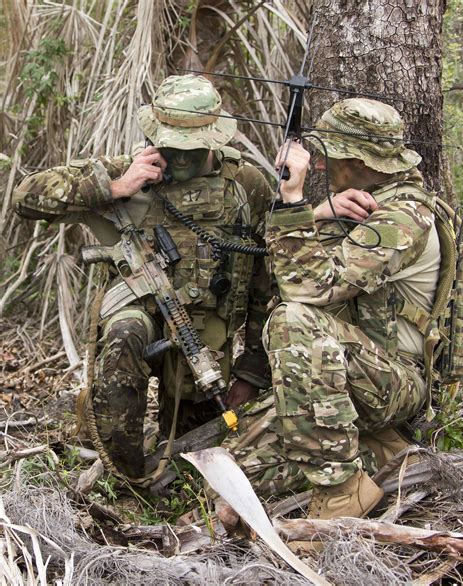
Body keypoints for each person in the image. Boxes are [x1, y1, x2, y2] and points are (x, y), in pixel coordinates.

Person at [12, 74, 273, 480]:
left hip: (204, 341)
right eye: (172, 147)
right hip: (141, 315)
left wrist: (252, 369)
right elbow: (26, 196)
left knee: (195, 457)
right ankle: (126, 481)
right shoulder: (131, 171)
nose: (181, 159)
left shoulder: (246, 185)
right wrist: (115, 186)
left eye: (191, 148)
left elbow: (265, 280)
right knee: (124, 337)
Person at [219, 98, 440, 520]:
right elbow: (283, 266)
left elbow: (305, 288)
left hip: (395, 382)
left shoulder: (403, 218)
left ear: (360, 159)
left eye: (329, 155)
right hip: (344, 379)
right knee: (235, 469)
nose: (319, 166)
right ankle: (379, 447)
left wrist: (291, 198)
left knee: (293, 321)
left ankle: (342, 491)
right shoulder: (363, 202)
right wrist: (315, 214)